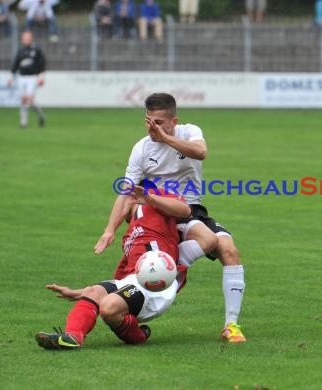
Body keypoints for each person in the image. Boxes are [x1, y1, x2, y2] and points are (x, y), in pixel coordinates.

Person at [94, 93, 247, 343]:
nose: (152, 127)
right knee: (207, 241)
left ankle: (231, 325)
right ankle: (162, 275)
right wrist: (109, 229)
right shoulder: (141, 148)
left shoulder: (189, 132)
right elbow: (127, 193)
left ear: (174, 121)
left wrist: (166, 138)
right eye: (148, 121)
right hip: (155, 213)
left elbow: (201, 152)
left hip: (189, 209)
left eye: (159, 122)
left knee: (228, 249)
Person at [36, 186, 193, 350]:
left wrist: (150, 198)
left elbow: (184, 210)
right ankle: (72, 337)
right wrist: (80, 293)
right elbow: (121, 282)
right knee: (94, 292)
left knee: (109, 307)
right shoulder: (129, 238)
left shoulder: (155, 204)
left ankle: (136, 335)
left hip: (156, 282)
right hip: (135, 282)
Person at [8, 31, 46, 129]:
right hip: (21, 78)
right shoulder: (20, 51)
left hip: (32, 77)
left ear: (31, 39)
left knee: (29, 100)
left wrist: (42, 77)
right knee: (23, 100)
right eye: (24, 38)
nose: (25, 40)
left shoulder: (36, 50)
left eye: (27, 38)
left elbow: (42, 64)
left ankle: (41, 115)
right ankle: (23, 123)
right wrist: (11, 77)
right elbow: (15, 65)